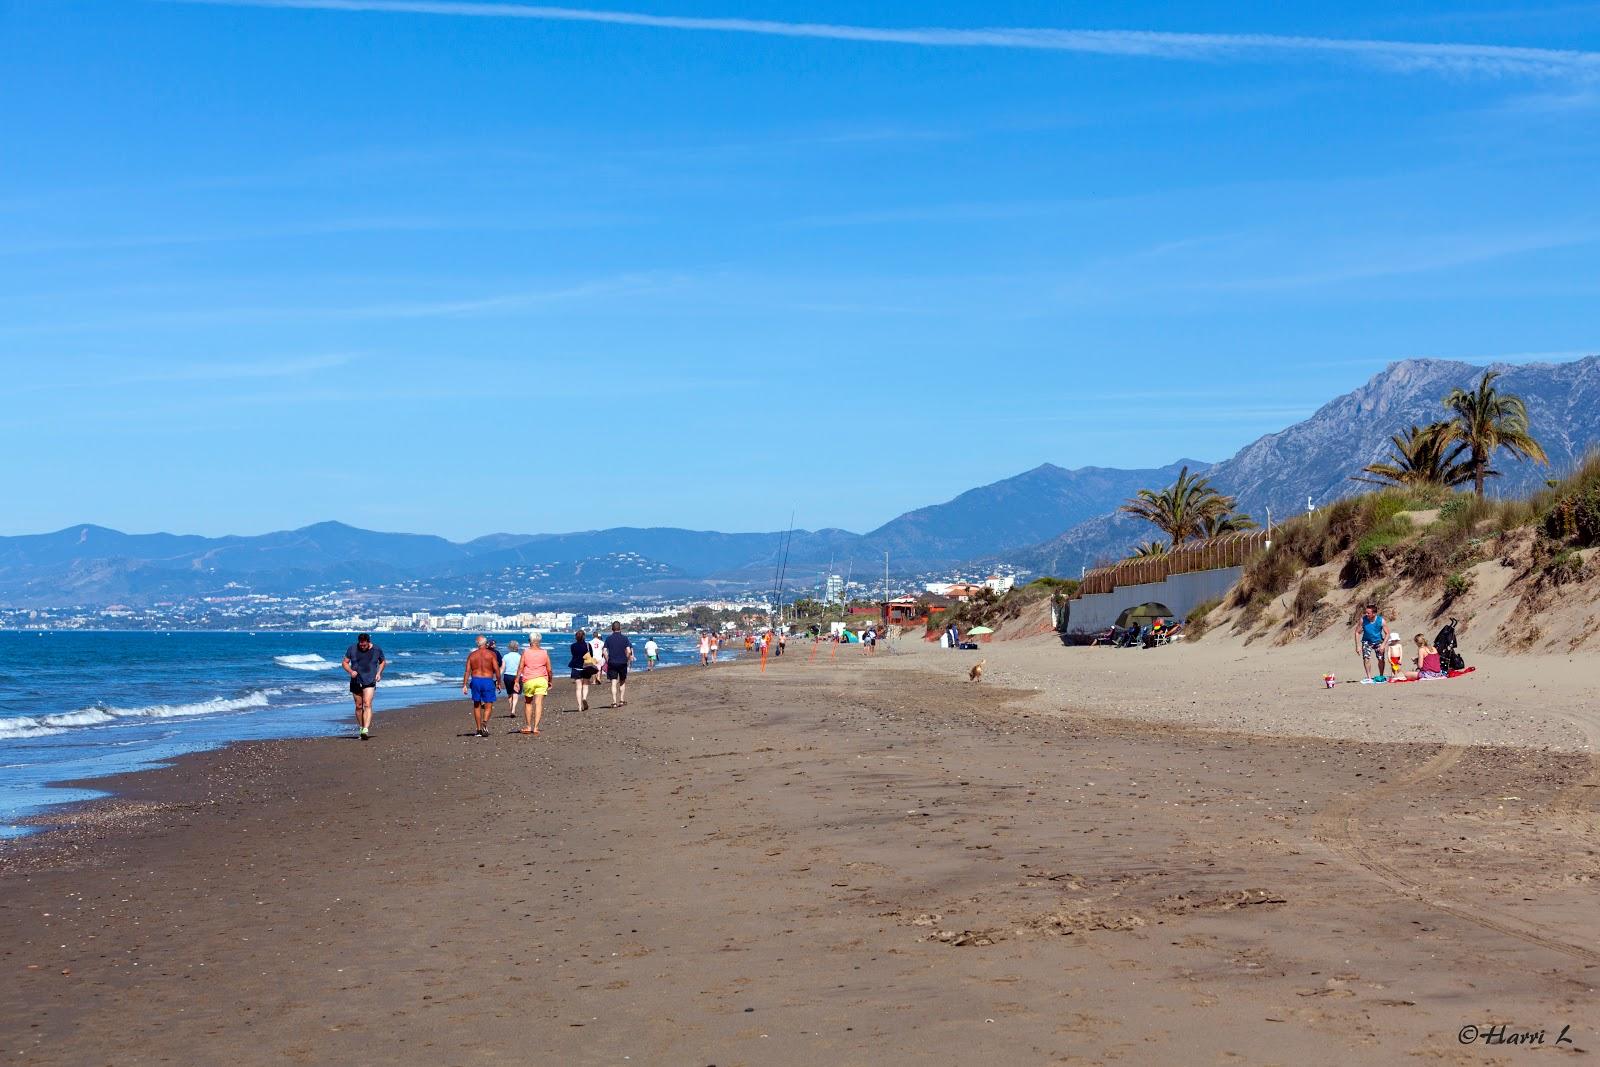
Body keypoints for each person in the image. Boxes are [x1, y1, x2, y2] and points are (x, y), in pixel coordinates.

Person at [341, 632, 386, 740]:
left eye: (364, 645)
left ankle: (365, 729)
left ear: (368, 642)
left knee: (367, 704)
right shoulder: (352, 649)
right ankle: (361, 727)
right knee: (358, 706)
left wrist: (379, 673)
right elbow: (345, 662)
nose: (362, 647)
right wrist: (350, 671)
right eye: (361, 645)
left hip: (370, 680)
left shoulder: (376, 649)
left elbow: (383, 662)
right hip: (355, 680)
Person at [515, 632, 554, 734]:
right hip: (542, 679)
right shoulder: (544, 652)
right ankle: (536, 727)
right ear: (539, 642)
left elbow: (520, 667)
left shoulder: (526, 652)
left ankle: (528, 726)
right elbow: (549, 669)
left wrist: (516, 680)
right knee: (538, 703)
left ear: (530, 642)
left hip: (529, 679)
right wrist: (550, 680)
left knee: (528, 702)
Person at [462, 635, 501, 737]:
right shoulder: (491, 654)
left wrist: (464, 685)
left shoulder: (472, 655)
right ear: (486, 643)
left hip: (476, 680)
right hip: (487, 680)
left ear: (477, 643)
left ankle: (479, 730)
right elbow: (496, 669)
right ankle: (484, 721)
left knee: (477, 705)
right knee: (488, 704)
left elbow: (467, 671)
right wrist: (499, 682)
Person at [603, 622, 634, 707]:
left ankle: (614, 702)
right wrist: (627, 659)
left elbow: (604, 651)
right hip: (622, 662)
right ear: (620, 628)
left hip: (612, 662)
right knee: (622, 681)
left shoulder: (608, 638)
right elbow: (628, 651)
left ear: (612, 629)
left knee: (613, 682)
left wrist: (607, 660)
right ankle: (621, 700)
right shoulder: (624, 638)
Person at [1356, 604, 1389, 679]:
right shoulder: (1363, 620)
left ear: (1374, 613)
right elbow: (1357, 632)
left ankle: (1381, 676)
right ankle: (1369, 677)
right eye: (1366, 612)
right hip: (1366, 641)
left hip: (1378, 641)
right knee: (1366, 658)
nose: (1366, 614)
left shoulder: (1381, 621)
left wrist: (1383, 645)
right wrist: (1357, 646)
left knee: (1381, 659)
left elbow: (1387, 633)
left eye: (1368, 613)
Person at [569, 629, 598, 712]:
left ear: (576, 637)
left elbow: (573, 655)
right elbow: (591, 655)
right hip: (586, 667)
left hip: (576, 667)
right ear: (584, 637)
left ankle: (579, 706)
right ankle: (584, 698)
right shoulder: (588, 645)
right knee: (585, 684)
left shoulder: (573, 646)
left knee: (578, 688)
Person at [501, 640, 523, 720]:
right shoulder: (520, 657)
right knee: (515, 692)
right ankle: (513, 709)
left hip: (507, 676)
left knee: (509, 693)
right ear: (517, 647)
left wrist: (498, 677)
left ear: (509, 647)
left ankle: (511, 709)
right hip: (517, 676)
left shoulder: (505, 656)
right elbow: (522, 668)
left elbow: (502, 668)